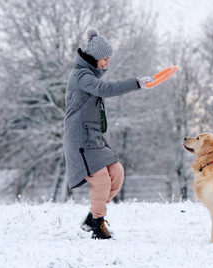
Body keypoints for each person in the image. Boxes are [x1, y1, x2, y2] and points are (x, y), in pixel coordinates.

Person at [63, 28, 154, 239]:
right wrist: (137, 83)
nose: (107, 63)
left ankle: (91, 219)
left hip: (93, 136)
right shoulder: (81, 76)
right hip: (79, 138)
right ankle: (98, 225)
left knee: (117, 173)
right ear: (95, 57)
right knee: (101, 180)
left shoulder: (87, 75)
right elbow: (105, 89)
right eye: (105, 58)